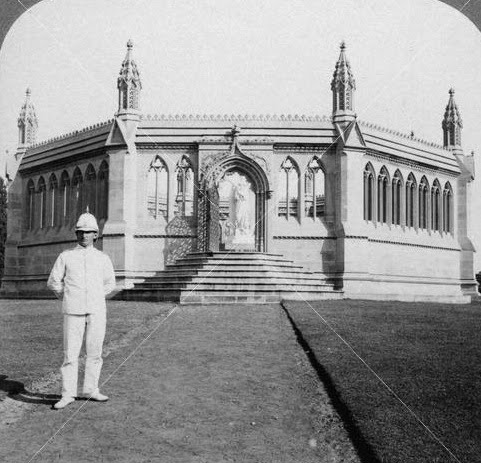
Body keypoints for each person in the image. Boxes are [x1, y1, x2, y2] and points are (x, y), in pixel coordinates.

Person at [47, 212, 116, 410]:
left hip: (96, 311)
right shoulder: (66, 256)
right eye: (80, 232)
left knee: (95, 352)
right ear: (76, 234)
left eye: (88, 232)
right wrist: (68, 296)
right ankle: (68, 394)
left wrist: (94, 297)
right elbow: (53, 282)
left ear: (96, 234)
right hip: (72, 311)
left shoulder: (102, 258)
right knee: (70, 355)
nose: (83, 235)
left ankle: (90, 389)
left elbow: (110, 283)